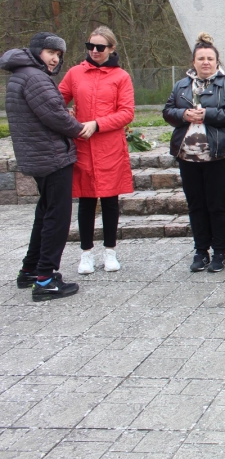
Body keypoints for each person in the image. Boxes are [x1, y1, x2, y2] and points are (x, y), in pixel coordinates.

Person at [1, 33, 83, 301]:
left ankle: (30, 269)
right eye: (50, 52)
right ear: (37, 51)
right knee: (57, 217)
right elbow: (55, 116)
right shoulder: (35, 77)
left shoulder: (21, 75)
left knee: (45, 212)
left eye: (58, 54)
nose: (55, 58)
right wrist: (81, 129)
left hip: (38, 156)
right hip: (51, 156)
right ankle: (45, 279)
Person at [163, 33, 225, 273]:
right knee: (195, 205)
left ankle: (219, 251)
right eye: (201, 58)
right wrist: (183, 115)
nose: (206, 62)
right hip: (188, 156)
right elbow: (167, 111)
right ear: (194, 61)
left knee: (218, 205)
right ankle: (201, 251)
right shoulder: (181, 85)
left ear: (217, 62)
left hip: (220, 156)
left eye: (210, 58)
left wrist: (207, 114)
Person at [59, 26, 134, 275]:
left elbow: (126, 112)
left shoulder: (121, 77)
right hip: (83, 145)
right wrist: (67, 113)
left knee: (110, 200)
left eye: (100, 47)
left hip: (109, 146)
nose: (94, 51)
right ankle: (86, 253)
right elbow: (56, 98)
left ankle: (110, 251)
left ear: (111, 49)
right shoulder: (74, 73)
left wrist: (98, 124)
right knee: (86, 200)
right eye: (90, 46)